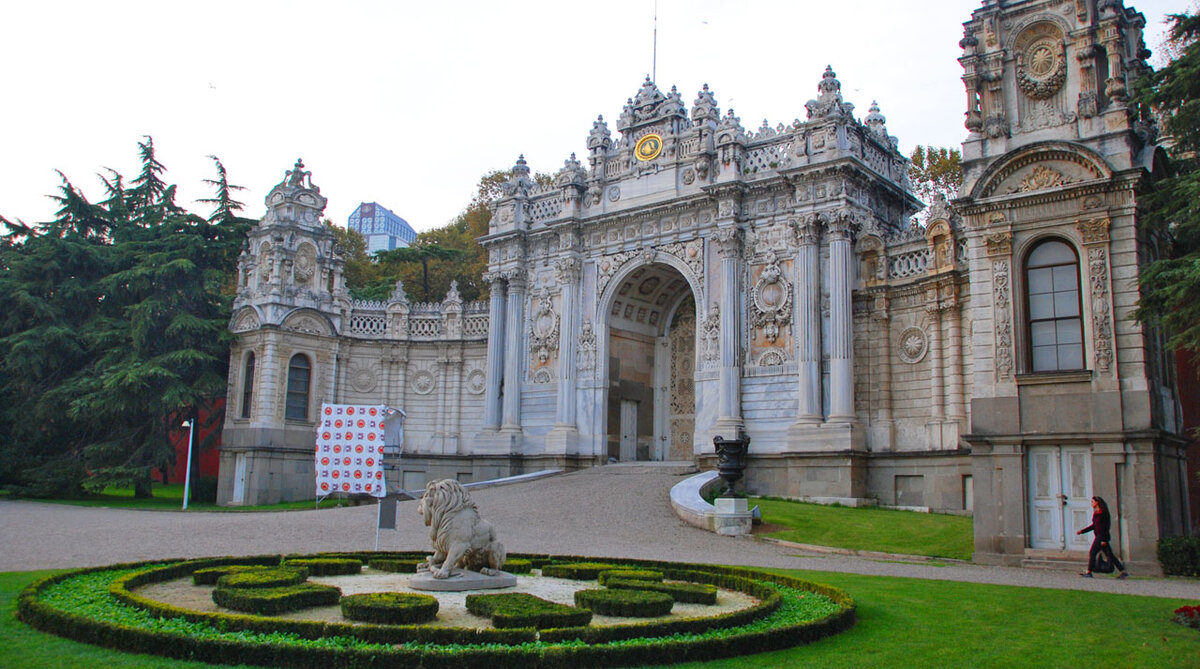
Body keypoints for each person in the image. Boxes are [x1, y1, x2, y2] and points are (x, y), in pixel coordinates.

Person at [1077, 496, 1129, 579]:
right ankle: (1123, 572)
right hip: (1099, 536)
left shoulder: (1103, 513)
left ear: (1097, 502)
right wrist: (1082, 531)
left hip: (1102, 537)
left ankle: (1089, 572)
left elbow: (1106, 527)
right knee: (1110, 555)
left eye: (1093, 502)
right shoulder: (1096, 513)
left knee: (1093, 553)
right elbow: (1094, 526)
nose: (1091, 504)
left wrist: (1104, 539)